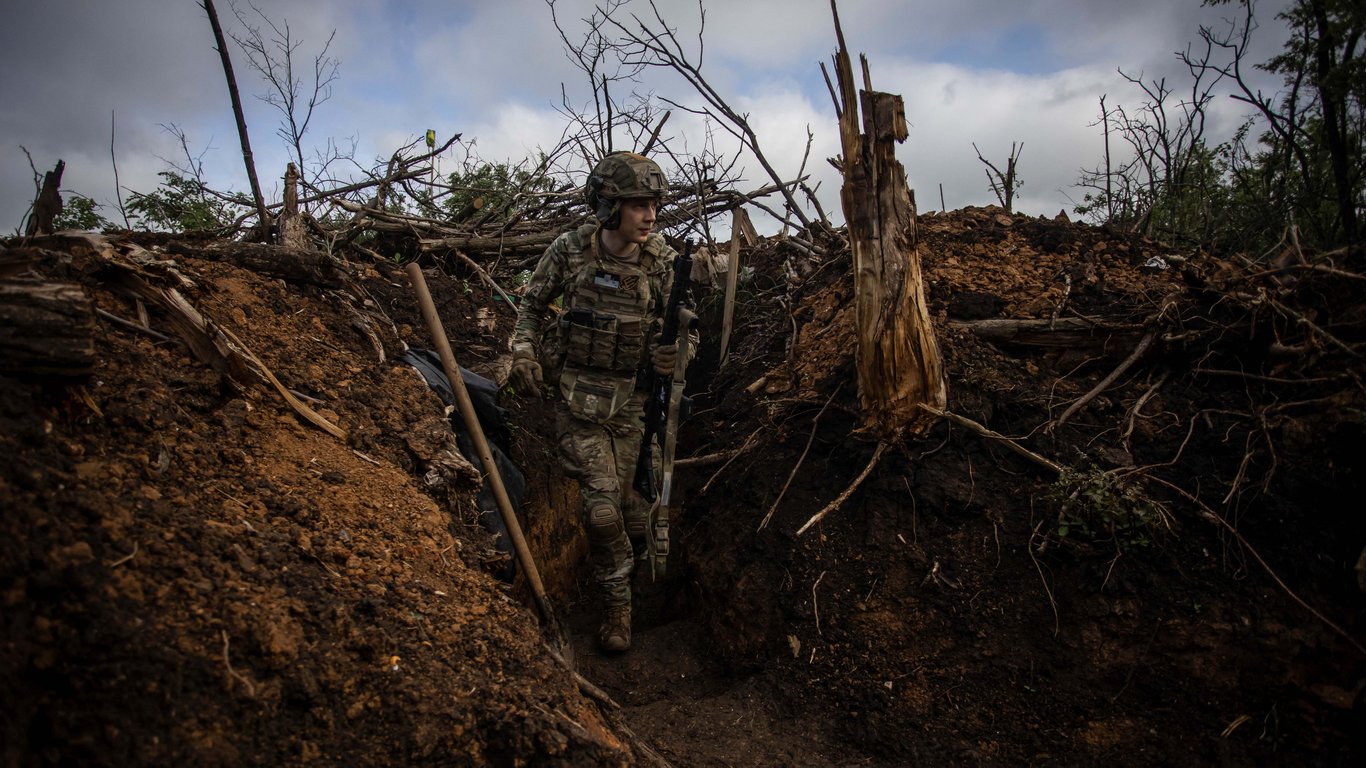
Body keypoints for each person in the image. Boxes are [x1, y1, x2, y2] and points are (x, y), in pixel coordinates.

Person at [508, 151, 695, 653]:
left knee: (637, 515)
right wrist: (523, 354)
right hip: (579, 399)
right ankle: (617, 609)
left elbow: (684, 331)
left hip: (634, 404)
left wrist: (673, 357)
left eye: (654, 204)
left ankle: (629, 581)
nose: (650, 215)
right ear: (610, 206)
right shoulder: (570, 251)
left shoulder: (661, 262)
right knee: (601, 514)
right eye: (638, 205)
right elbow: (529, 308)